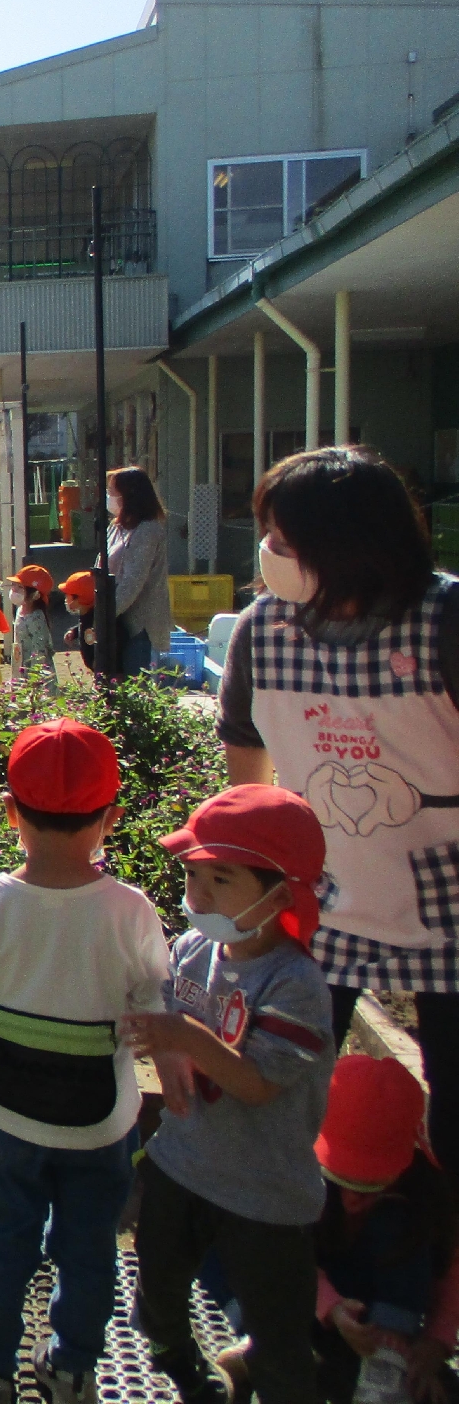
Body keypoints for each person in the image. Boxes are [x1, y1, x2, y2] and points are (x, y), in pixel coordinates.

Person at [219, 448, 459, 1169]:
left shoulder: (446, 620)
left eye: (285, 542)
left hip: (446, 901)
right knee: (290, 1090)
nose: (270, 555)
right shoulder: (263, 631)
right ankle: (307, 1251)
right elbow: (246, 773)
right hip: (321, 900)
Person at [0, 720, 171, 1404]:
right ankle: (71, 1366)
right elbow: (156, 1001)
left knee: (4, 1240)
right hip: (101, 1124)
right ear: (111, 819)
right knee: (90, 1245)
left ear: (10, 812)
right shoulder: (130, 910)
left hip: (5, 1116)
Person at [121, 786, 335, 1404]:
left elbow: (260, 1084)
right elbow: (163, 1016)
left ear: (280, 893)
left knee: (279, 1333)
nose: (199, 895)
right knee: (156, 1293)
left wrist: (182, 1036)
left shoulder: (296, 986)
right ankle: (186, 1370)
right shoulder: (192, 951)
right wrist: (167, 1051)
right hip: (181, 1165)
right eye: (193, 875)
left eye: (222, 878)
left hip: (265, 1193)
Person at [302, 1057, 459, 1404]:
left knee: (400, 1223)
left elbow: (450, 1268)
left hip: (382, 1314)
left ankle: (387, 1364)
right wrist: (332, 1308)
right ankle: (266, 1345)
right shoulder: (298, 1175)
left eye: (369, 1182)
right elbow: (285, 1256)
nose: (352, 1196)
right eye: (342, 1178)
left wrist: (436, 1341)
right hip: (316, 1297)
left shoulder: (424, 1191)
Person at [101, 465, 172, 677]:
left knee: (136, 690)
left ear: (129, 496)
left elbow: (133, 581)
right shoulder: (116, 527)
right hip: (116, 624)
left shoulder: (148, 530)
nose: (109, 497)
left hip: (140, 627)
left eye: (113, 492)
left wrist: (103, 615)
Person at [12, 565, 59, 691]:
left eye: (20, 587)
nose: (14, 590)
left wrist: (35, 677)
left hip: (37, 673)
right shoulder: (20, 611)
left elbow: (40, 649)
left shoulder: (36, 617)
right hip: (22, 666)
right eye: (14, 585)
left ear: (35, 595)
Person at [61, 571, 97, 671]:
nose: (65, 599)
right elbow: (83, 626)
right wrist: (74, 632)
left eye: (67, 596)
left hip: (103, 669)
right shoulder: (85, 615)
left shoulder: (97, 620)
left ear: (79, 598)